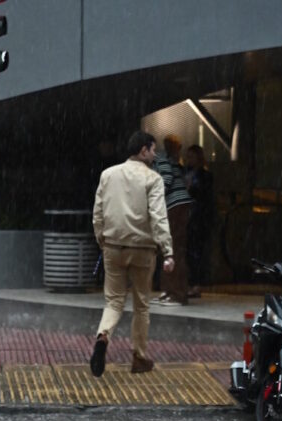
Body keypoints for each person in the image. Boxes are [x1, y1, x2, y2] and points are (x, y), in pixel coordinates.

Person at [90, 131, 174, 377]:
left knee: (114, 301)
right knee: (141, 305)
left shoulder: (108, 174)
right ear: (143, 151)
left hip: (113, 246)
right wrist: (167, 250)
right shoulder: (153, 179)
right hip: (143, 250)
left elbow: (98, 210)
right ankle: (139, 356)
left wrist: (101, 238)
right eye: (152, 149)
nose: (155, 154)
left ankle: (103, 336)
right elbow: (158, 216)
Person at [151, 134, 193, 306]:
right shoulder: (171, 160)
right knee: (171, 249)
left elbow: (167, 179)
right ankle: (170, 291)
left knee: (172, 249)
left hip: (174, 206)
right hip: (178, 205)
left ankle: (176, 293)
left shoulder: (160, 158)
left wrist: (155, 197)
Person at [184, 145, 214, 298]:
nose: (189, 160)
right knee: (189, 251)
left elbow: (205, 197)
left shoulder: (205, 176)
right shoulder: (186, 173)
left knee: (197, 251)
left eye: (192, 157)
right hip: (188, 217)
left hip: (198, 217)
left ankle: (196, 283)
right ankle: (190, 282)